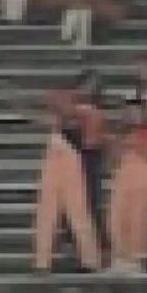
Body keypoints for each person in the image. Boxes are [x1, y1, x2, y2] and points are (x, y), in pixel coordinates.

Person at [33, 94, 103, 274]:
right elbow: (40, 119)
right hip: (55, 166)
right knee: (47, 215)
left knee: (78, 213)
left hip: (71, 165)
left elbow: (85, 137)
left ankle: (90, 259)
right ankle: (42, 261)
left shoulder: (83, 116)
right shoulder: (59, 124)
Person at [107, 99, 147, 276]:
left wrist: (137, 145)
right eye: (128, 112)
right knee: (117, 217)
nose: (131, 115)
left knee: (140, 218)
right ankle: (120, 258)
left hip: (144, 178)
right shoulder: (120, 135)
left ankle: (136, 259)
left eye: (134, 111)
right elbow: (112, 159)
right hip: (123, 177)